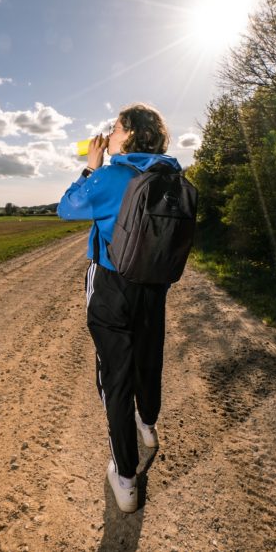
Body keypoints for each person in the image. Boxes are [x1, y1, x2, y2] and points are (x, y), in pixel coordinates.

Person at [57, 103, 181, 513]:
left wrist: (91, 167)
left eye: (114, 128)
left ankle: (125, 477)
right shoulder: (171, 176)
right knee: (149, 357)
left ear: (128, 134)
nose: (108, 135)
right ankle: (148, 423)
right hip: (154, 285)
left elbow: (67, 208)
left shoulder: (113, 175)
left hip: (112, 284)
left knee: (115, 376)